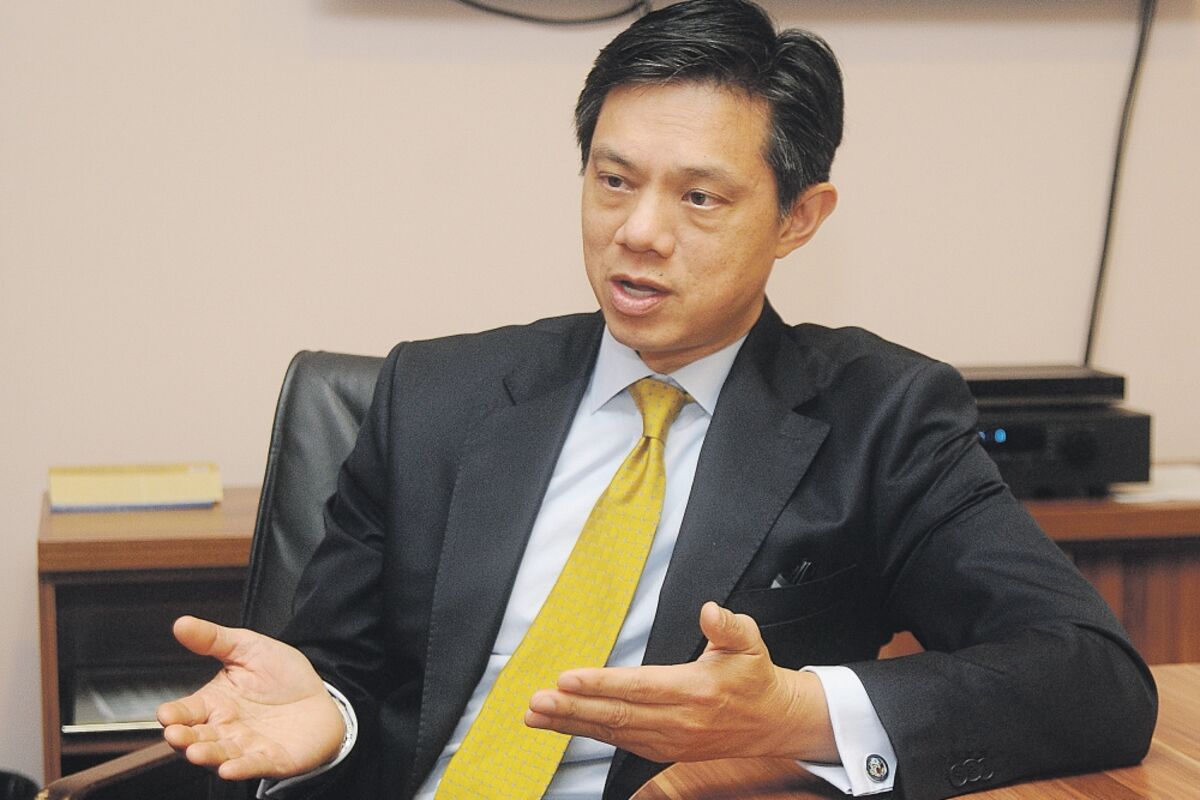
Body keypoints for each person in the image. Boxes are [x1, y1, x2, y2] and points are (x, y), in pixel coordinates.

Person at [157, 1, 1157, 798]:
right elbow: (342, 675)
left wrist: (791, 713)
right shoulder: (432, 395)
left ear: (799, 218)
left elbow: (1093, 678)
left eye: (699, 197)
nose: (637, 231)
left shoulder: (880, 418)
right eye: (613, 180)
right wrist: (329, 715)